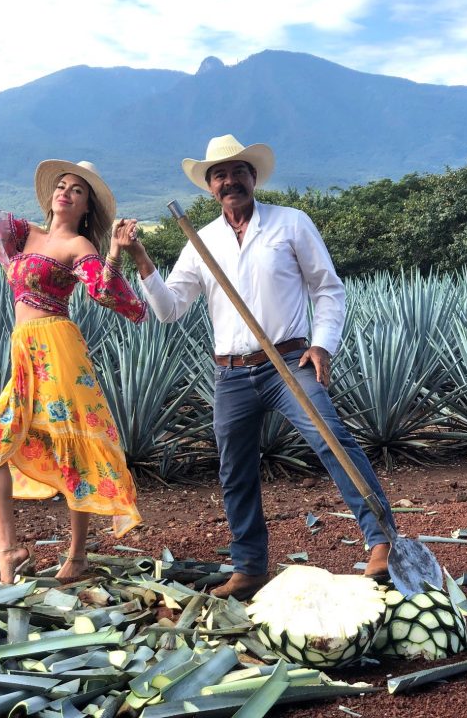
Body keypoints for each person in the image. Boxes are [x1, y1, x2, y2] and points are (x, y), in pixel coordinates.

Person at [114, 134, 396, 600]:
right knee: (234, 469)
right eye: (219, 175)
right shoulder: (201, 241)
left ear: (253, 177)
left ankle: (382, 540)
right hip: (231, 373)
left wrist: (323, 345)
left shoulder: (291, 223)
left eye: (237, 172)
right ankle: (249, 567)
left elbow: (328, 288)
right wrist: (141, 259)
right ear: (210, 187)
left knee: (331, 440)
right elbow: (169, 309)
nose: (229, 181)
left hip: (288, 360)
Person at [0, 120, 148, 584]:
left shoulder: (78, 245)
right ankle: (9, 550)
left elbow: (108, 294)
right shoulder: (21, 233)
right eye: (62, 185)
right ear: (50, 195)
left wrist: (116, 255)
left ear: (85, 205)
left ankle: (76, 557)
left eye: (77, 190)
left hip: (58, 348)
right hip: (24, 351)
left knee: (71, 444)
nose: (66, 192)